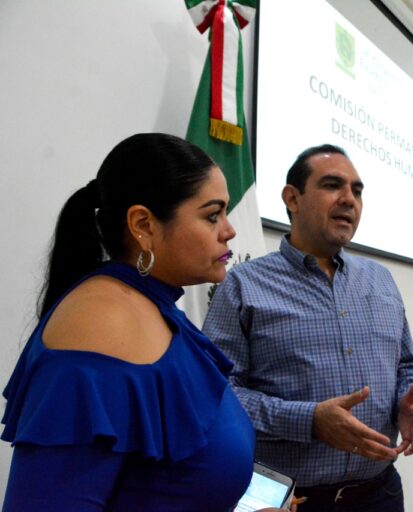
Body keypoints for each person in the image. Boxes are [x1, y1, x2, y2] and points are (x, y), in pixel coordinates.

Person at [1, 133, 286, 512]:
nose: (229, 230)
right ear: (144, 225)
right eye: (212, 214)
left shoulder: (152, 309)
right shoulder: (103, 325)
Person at [203, 144, 413, 512]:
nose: (349, 200)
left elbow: (410, 366)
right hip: (289, 501)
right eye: (332, 185)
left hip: (380, 494)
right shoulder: (243, 286)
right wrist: (308, 421)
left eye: (357, 191)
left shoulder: (381, 280)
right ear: (292, 198)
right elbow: (215, 394)